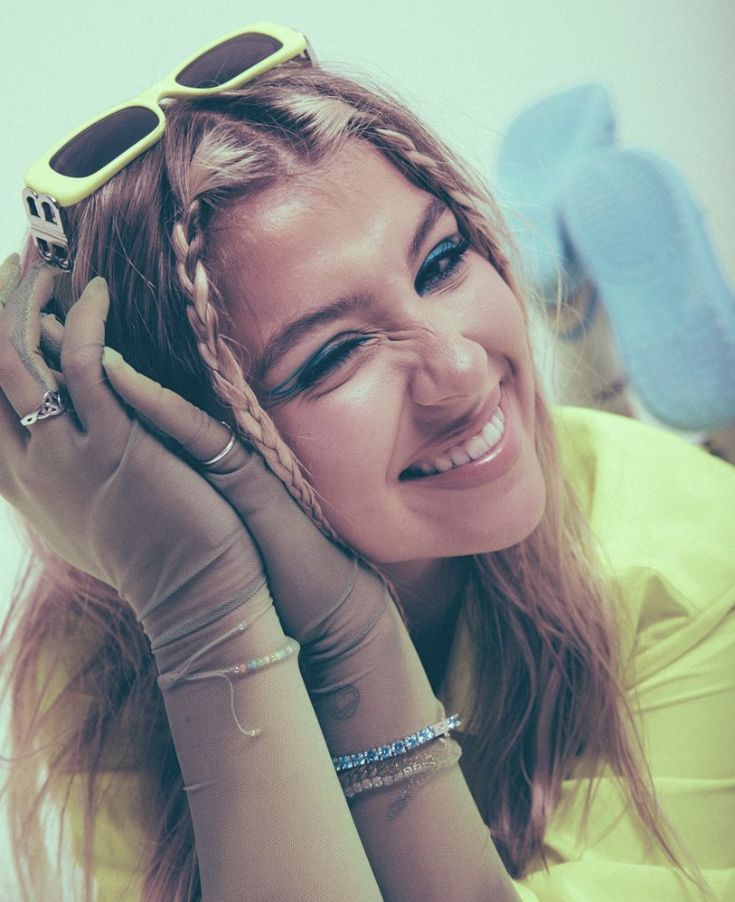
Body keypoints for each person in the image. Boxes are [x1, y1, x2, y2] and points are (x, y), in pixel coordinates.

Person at [0, 22, 733, 902]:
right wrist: (201, 603)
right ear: (180, 451)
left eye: (443, 258)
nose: (461, 370)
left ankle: (591, 332)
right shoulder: (104, 662)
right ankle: (584, 323)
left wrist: (350, 640)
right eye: (330, 357)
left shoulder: (697, 567)